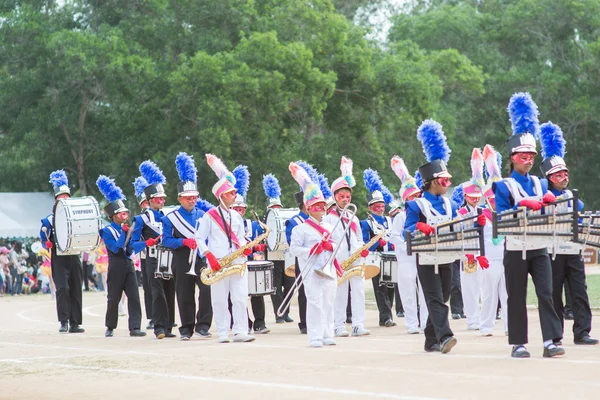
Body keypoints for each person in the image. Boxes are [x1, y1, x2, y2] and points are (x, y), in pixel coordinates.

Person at [492, 92, 565, 358]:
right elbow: (500, 218)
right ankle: (518, 343)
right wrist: (521, 206)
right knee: (517, 296)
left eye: (532, 155)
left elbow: (555, 206)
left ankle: (550, 341)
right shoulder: (503, 185)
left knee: (546, 293)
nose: (529, 159)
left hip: (539, 245)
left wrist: (549, 201)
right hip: (516, 247)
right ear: (512, 157)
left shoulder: (542, 183)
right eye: (523, 155)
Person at [404, 119, 468, 354]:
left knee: (442, 298)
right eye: (444, 181)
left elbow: (457, 226)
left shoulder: (450, 203)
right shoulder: (416, 204)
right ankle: (445, 336)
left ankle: (430, 339)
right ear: (432, 182)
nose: (448, 184)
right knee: (435, 299)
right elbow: (406, 230)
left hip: (447, 257)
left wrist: (476, 222)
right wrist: (420, 226)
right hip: (427, 259)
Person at [538, 122, 598, 345]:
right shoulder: (541, 195)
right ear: (549, 178)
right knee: (553, 293)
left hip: (572, 248)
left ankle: (582, 331)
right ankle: (555, 334)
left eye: (565, 173)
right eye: (559, 174)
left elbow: (579, 209)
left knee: (578, 291)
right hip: (552, 250)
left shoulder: (573, 197)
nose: (564, 176)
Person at [195, 154, 254, 343]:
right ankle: (222, 331)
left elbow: (241, 238)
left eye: (234, 193)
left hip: (236, 261)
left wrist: (245, 248)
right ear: (221, 196)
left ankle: (240, 331)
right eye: (230, 193)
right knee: (220, 299)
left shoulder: (237, 216)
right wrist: (209, 255)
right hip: (218, 261)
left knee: (240, 297)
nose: (234, 196)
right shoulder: (210, 216)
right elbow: (199, 237)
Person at [288, 162, 341, 347]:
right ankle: (315, 336)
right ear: (308, 208)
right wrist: (311, 250)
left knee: (328, 303)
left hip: (328, 269)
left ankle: (328, 333)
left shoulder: (329, 225)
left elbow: (337, 245)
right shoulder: (300, 228)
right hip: (311, 271)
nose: (321, 209)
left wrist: (329, 246)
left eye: (322, 206)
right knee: (315, 303)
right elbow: (294, 249)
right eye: (317, 206)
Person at [162, 153, 213, 340]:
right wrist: (182, 241)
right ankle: (186, 328)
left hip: (202, 257)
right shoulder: (170, 218)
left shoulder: (205, 215)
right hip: (182, 258)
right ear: (180, 199)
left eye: (194, 197)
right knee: (184, 295)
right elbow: (165, 240)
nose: (192, 201)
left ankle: (203, 325)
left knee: (207, 291)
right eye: (188, 198)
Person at [324, 156, 370, 338]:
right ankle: (339, 325)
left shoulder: (354, 217)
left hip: (356, 259)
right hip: (339, 261)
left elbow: (358, 237)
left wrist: (362, 249)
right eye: (341, 197)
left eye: (348, 197)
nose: (345, 199)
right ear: (335, 197)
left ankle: (359, 325)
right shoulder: (328, 218)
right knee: (340, 294)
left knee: (359, 292)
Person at [96, 175, 145, 338]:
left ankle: (135, 327)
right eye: (122, 213)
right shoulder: (107, 231)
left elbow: (129, 250)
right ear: (115, 216)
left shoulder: (128, 228)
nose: (125, 215)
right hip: (116, 265)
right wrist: (124, 234)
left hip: (128, 264)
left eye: (126, 213)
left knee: (134, 296)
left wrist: (146, 243)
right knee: (113, 298)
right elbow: (116, 248)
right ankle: (110, 326)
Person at [131, 160, 176, 339]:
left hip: (169, 258)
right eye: (159, 199)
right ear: (150, 201)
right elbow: (133, 244)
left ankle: (169, 326)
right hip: (152, 258)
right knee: (157, 293)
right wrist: (146, 243)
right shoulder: (141, 219)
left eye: (163, 198)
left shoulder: (169, 216)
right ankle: (159, 327)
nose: (162, 201)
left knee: (170, 291)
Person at [40, 170, 84, 333]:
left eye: (67, 196)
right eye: (61, 196)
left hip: (74, 256)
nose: (64, 199)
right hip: (59, 257)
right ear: (55, 200)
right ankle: (64, 321)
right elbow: (43, 239)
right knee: (63, 289)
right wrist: (47, 243)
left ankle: (75, 323)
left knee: (76, 288)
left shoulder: (77, 217)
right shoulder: (48, 220)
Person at [389, 156, 428, 334]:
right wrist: (406, 245)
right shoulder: (400, 216)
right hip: (406, 259)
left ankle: (427, 322)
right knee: (408, 293)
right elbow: (394, 236)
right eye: (412, 196)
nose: (416, 198)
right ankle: (412, 324)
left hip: (422, 257)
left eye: (417, 195)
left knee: (425, 292)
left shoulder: (424, 214)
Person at [452, 148, 489, 331]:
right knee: (470, 288)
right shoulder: (461, 212)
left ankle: (481, 318)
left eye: (477, 196)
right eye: (472, 197)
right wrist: (475, 226)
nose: (475, 200)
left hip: (481, 252)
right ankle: (472, 319)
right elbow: (459, 232)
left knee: (483, 286)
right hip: (468, 253)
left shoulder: (481, 210)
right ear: (465, 196)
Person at [361, 168, 396, 327]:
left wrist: (393, 243)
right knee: (380, 288)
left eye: (381, 205)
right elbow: (364, 243)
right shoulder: (366, 223)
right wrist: (377, 243)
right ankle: (386, 316)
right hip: (376, 258)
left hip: (391, 256)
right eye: (376, 206)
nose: (380, 208)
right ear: (370, 207)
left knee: (391, 287)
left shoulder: (390, 220)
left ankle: (387, 316)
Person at [479, 145, 508, 336]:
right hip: (488, 259)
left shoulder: (507, 213)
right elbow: (474, 237)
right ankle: (486, 326)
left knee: (508, 295)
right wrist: (477, 255)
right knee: (489, 295)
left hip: (507, 257)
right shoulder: (481, 214)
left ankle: (509, 326)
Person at [261, 173, 294, 324]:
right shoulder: (263, 221)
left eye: (278, 207)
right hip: (272, 257)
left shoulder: (287, 219)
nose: (276, 209)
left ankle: (286, 312)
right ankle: (279, 314)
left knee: (290, 286)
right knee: (275, 288)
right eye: (273, 207)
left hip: (287, 256)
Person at [286, 190, 309, 334]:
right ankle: (305, 322)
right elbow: (291, 242)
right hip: (302, 259)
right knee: (304, 291)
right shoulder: (294, 221)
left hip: (319, 259)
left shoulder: (321, 220)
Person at [133, 176, 154, 330]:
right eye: (144, 203)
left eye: (147, 202)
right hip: (146, 256)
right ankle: (152, 317)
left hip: (162, 255)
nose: (146, 206)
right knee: (148, 287)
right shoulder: (140, 219)